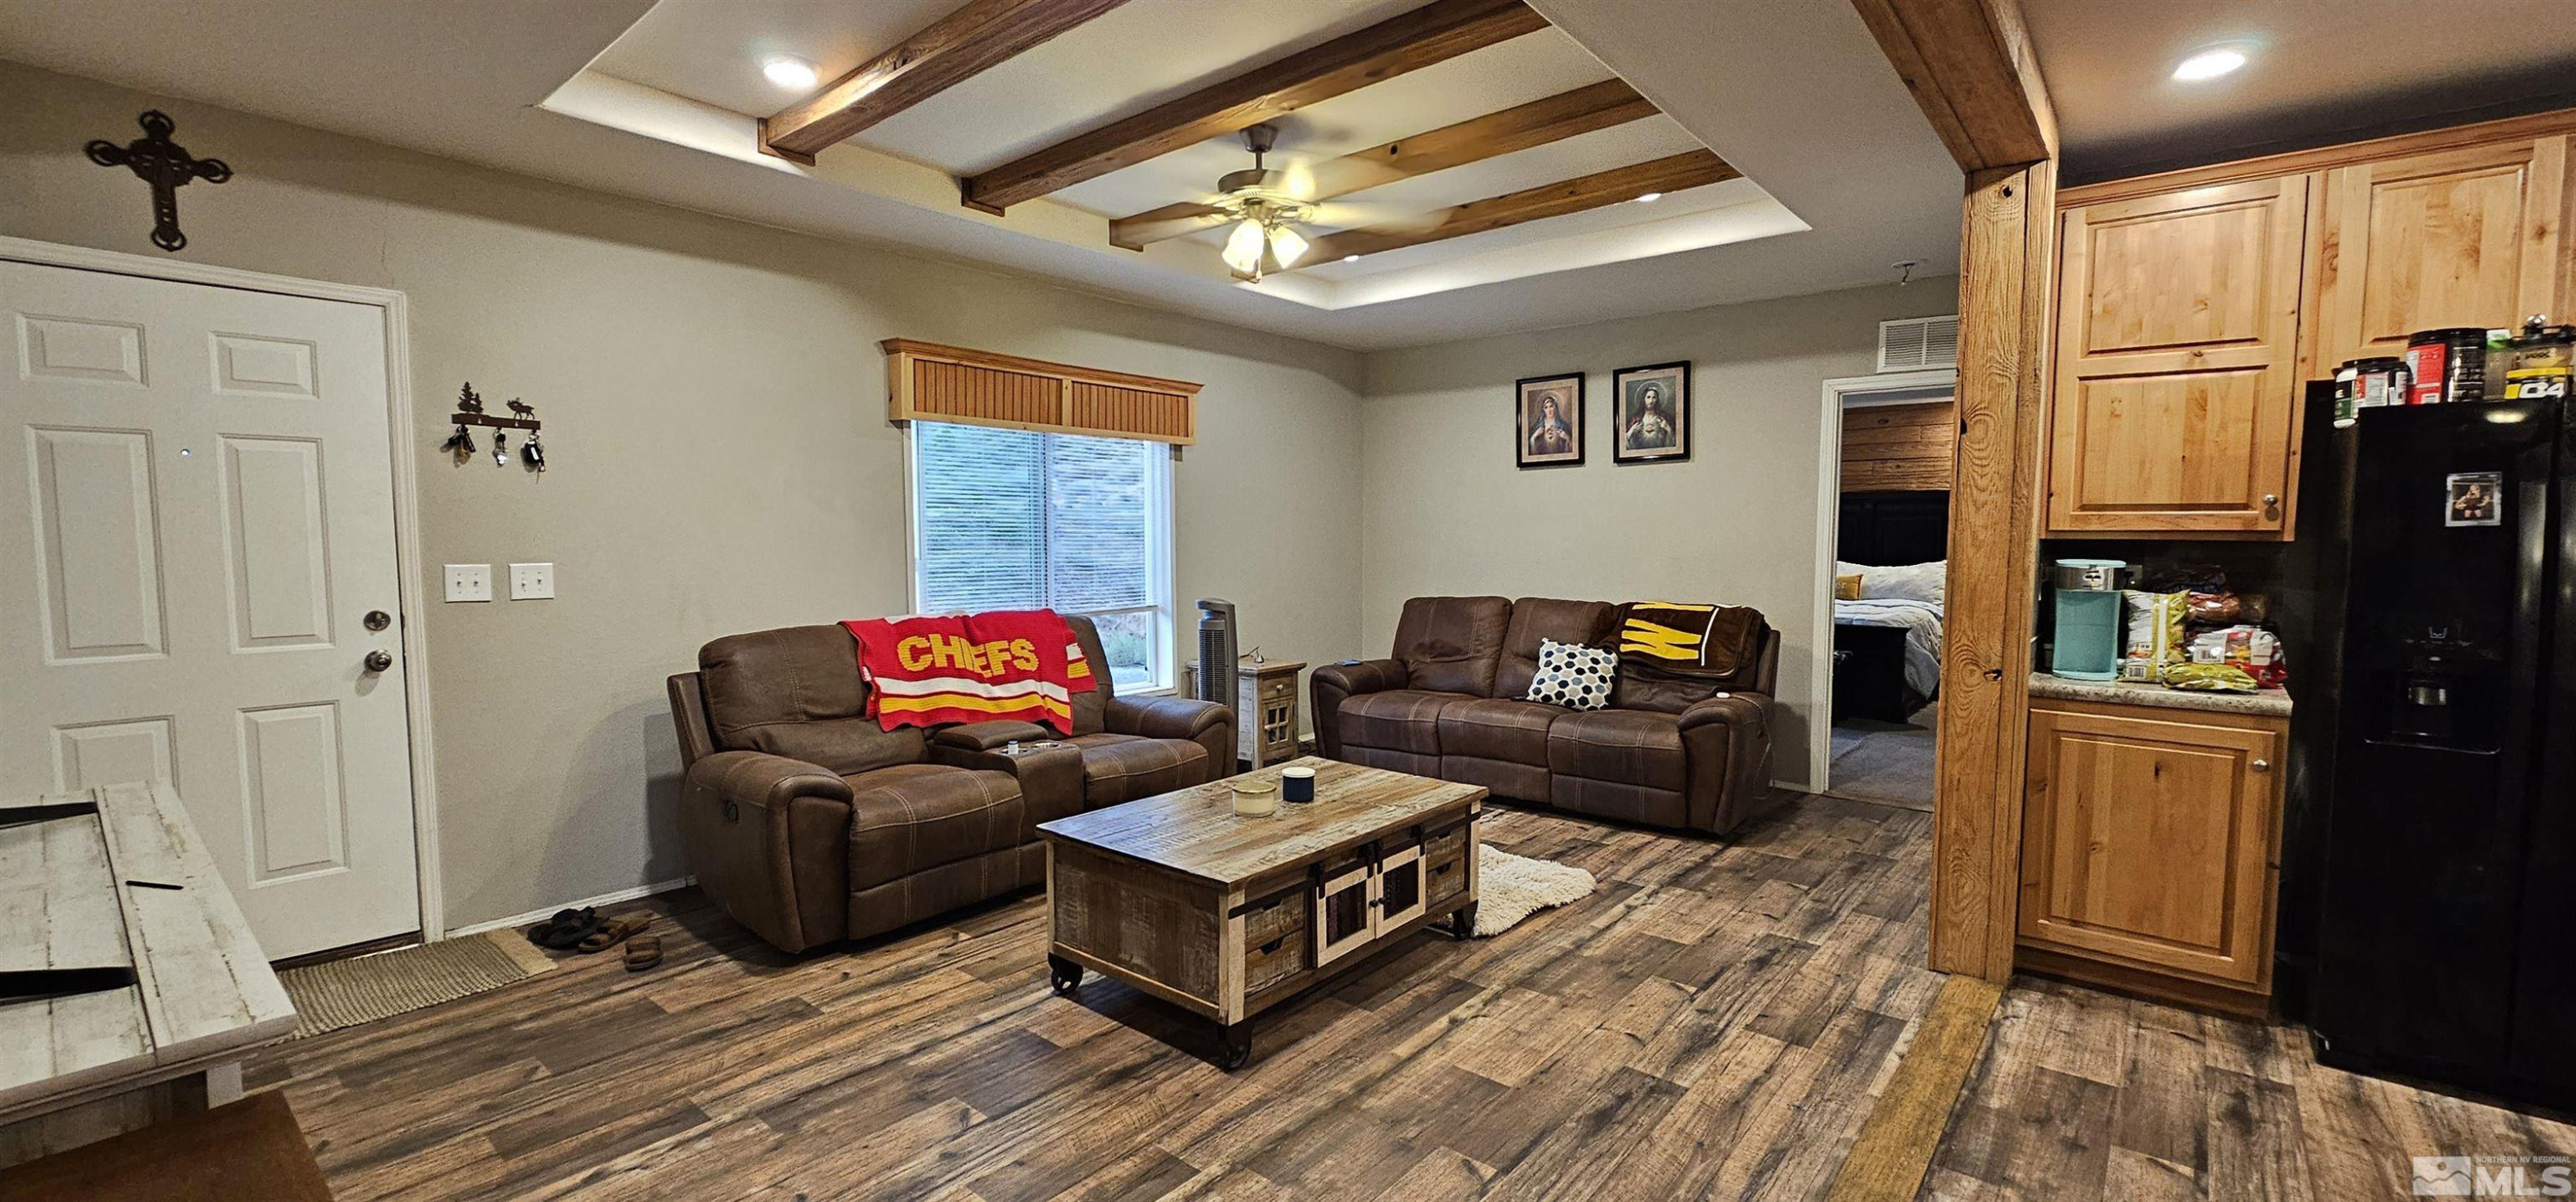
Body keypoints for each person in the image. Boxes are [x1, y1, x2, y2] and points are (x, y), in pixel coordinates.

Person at [1622, 384, 1676, 451]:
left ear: (1657, 400)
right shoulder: (1635, 419)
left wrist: (1668, 428)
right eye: (1648, 397)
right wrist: (1631, 431)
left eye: (1654, 397)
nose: (1651, 401)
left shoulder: (1664, 418)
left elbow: (1677, 443)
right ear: (1644, 399)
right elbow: (1622, 445)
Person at [1526, 393, 1572, 457]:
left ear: (1555, 408)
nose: (1549, 410)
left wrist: (1567, 438)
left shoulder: (1563, 425)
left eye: (1551, 406)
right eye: (1546, 407)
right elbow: (1528, 451)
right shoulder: (1537, 426)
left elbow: (1572, 451)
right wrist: (1534, 437)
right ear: (1543, 410)